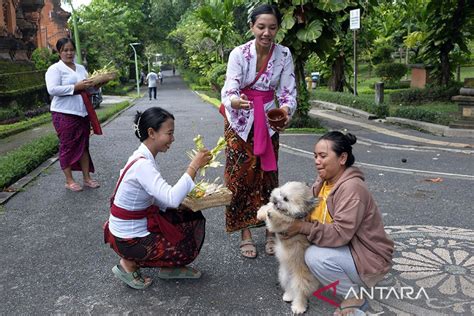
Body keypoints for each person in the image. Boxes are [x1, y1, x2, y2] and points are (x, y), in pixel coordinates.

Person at [282, 131, 394, 316]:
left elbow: (339, 234)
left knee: (314, 256)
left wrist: (301, 227)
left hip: (368, 257)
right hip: (349, 249)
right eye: (315, 156)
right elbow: (308, 212)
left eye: (323, 156)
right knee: (296, 244)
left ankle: (354, 297)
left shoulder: (352, 189)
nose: (317, 161)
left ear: (342, 158)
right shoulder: (323, 182)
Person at [103, 107, 212, 289]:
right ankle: (128, 264)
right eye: (169, 133)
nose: (173, 139)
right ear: (151, 133)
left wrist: (181, 205)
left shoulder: (142, 158)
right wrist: (194, 166)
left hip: (127, 230)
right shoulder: (142, 165)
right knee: (182, 241)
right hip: (127, 240)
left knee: (189, 216)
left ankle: (166, 265)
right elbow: (170, 199)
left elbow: (160, 199)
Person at [220, 4, 297, 258]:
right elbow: (230, 86)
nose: (266, 32)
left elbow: (287, 91)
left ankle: (271, 230)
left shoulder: (284, 54)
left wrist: (285, 110)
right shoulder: (238, 54)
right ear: (252, 26)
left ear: (278, 29)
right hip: (239, 123)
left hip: (267, 120)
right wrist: (234, 100)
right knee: (240, 178)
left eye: (272, 27)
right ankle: (245, 233)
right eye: (261, 27)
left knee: (268, 177)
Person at [45, 38, 101, 192]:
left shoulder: (81, 68)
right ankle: (69, 180)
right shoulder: (55, 69)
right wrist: (75, 87)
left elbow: (87, 89)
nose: (69, 53)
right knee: (67, 146)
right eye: (65, 50)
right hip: (63, 113)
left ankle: (87, 178)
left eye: (71, 50)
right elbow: (52, 89)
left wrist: (97, 86)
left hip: (82, 112)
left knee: (83, 146)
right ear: (59, 52)